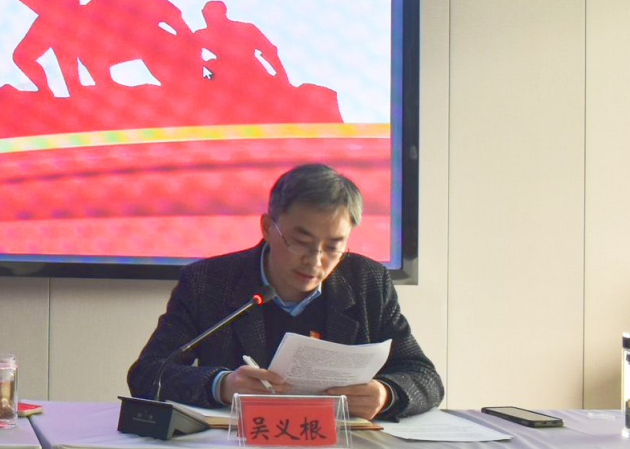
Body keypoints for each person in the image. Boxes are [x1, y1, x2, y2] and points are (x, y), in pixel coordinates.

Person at [127, 163, 442, 420]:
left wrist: (386, 394)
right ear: (267, 227)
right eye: (300, 242)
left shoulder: (367, 282)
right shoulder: (207, 282)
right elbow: (147, 374)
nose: (315, 260)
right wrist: (221, 385)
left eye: (333, 247)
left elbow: (424, 376)